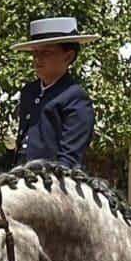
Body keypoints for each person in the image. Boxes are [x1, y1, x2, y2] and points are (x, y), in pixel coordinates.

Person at [11, 17, 97, 167]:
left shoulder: (75, 97)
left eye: (46, 52)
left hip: (53, 182)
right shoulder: (29, 92)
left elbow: (69, 158)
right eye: (35, 52)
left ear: (68, 56)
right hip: (21, 175)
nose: (37, 58)